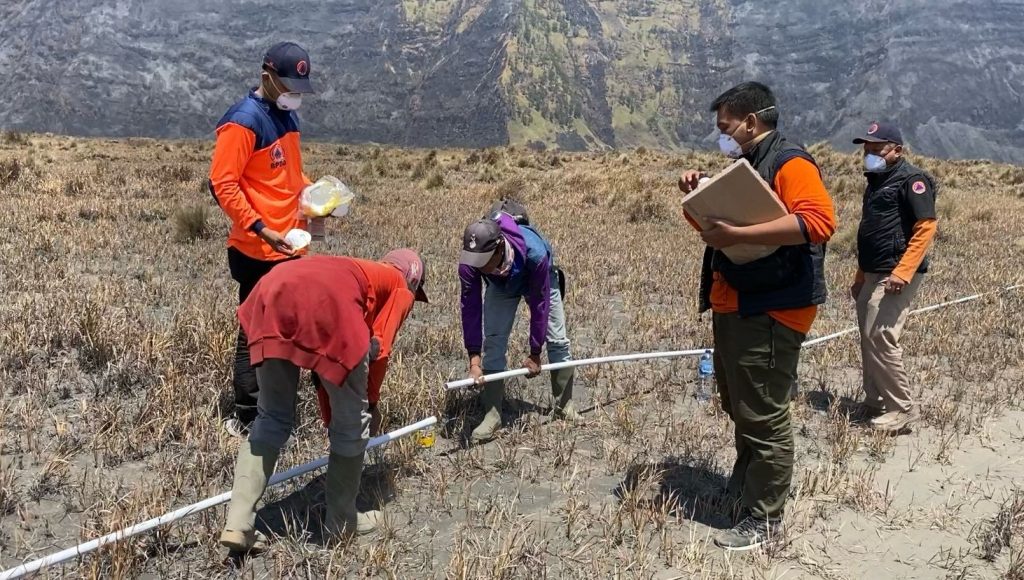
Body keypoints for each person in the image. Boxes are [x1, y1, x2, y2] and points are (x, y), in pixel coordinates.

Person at [678, 82, 836, 550]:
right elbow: (718, 231)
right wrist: (697, 197)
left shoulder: (790, 162)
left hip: (772, 308)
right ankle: (746, 487)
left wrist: (736, 235)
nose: (721, 135)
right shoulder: (746, 165)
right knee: (741, 405)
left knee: (763, 413)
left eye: (725, 126)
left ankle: (764, 518)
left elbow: (819, 222)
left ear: (751, 121)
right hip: (739, 302)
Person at [219, 249, 429, 552]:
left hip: (272, 290)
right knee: (352, 424)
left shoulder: (359, 269)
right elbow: (379, 350)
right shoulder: (400, 285)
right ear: (414, 278)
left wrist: (331, 411)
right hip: (326, 303)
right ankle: (341, 524)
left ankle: (238, 524)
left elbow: (324, 366)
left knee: (271, 416)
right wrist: (370, 404)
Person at [209, 41, 317, 437]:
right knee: (255, 331)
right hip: (257, 249)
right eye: (287, 85)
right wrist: (259, 227)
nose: (293, 94)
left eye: (298, 88)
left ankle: (277, 402)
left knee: (286, 326)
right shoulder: (243, 121)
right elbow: (222, 183)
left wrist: (316, 195)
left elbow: (289, 177)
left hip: (289, 245)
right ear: (266, 77)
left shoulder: (287, 116)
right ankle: (246, 414)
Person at [458, 207, 581, 444]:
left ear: (499, 248)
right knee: (493, 342)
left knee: (558, 339)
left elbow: (540, 304)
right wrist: (474, 360)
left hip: (539, 277)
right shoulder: (470, 261)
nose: (478, 266)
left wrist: (535, 353)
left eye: (483, 261)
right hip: (500, 285)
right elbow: (470, 307)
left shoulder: (535, 254)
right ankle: (493, 414)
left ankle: (565, 406)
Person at [850, 122, 937, 433]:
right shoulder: (875, 181)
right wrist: (861, 275)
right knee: (867, 333)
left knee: (881, 335)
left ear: (897, 150)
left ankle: (901, 408)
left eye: (877, 149)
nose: (870, 154)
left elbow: (926, 227)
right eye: (867, 149)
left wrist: (903, 271)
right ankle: (874, 400)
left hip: (896, 271)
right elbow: (872, 232)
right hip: (873, 270)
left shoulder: (913, 180)